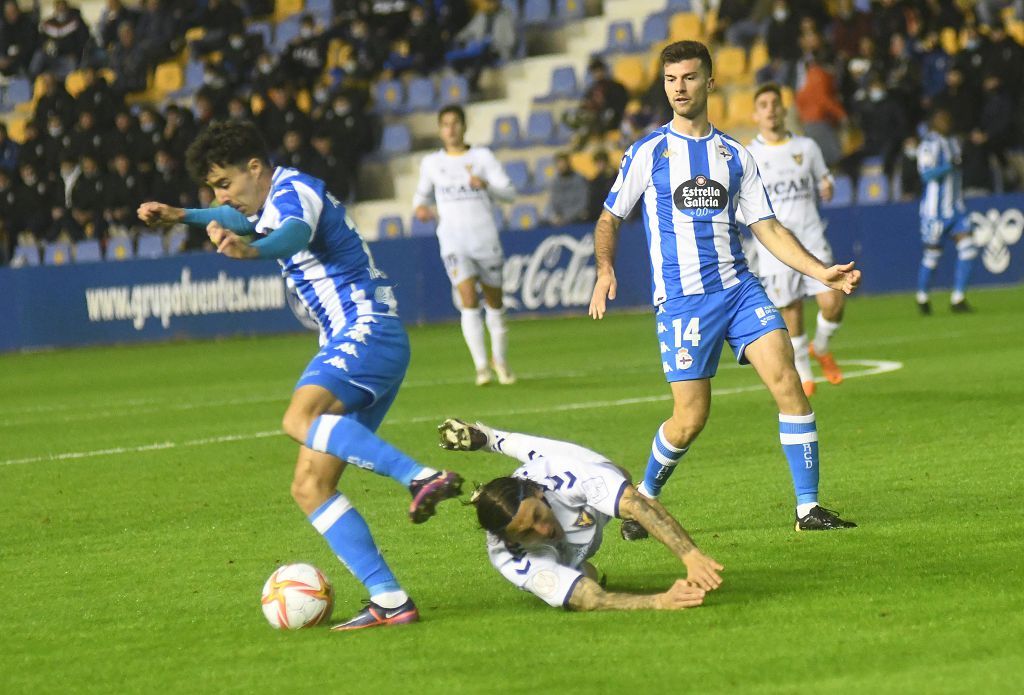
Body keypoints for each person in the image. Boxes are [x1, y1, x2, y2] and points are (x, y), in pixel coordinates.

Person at [137, 120, 464, 631]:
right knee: (310, 485)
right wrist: (182, 214)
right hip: (360, 342)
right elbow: (235, 218)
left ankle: (420, 477)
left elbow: (290, 234)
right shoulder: (264, 201)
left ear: (255, 168)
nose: (222, 196)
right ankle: (390, 599)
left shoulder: (296, 191)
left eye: (225, 183)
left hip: (366, 329)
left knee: (298, 417)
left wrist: (251, 251)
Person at [588, 41, 860, 538]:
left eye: (689, 78)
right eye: (671, 80)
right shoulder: (648, 152)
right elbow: (609, 218)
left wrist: (821, 272)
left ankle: (808, 508)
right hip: (683, 302)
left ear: (710, 82)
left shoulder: (735, 156)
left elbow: (769, 229)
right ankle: (645, 497)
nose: (679, 88)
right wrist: (605, 269)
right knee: (690, 418)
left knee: (788, 383)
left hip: (739, 290)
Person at [438, 418, 723, 610]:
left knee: (619, 476)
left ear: (539, 495)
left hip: (553, 471)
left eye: (538, 516)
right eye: (525, 532)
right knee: (586, 577)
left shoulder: (562, 476)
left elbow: (637, 503)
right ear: (507, 538)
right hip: (561, 550)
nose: (542, 530)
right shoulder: (508, 556)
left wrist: (690, 556)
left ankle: (489, 438)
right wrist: (659, 601)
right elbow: (587, 598)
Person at [747, 83, 845, 397]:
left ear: (784, 109)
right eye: (763, 104)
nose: (771, 109)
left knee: (833, 301)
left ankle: (822, 346)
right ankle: (804, 370)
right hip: (776, 247)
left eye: (775, 103)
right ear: (755, 114)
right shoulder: (750, 155)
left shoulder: (807, 147)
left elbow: (824, 177)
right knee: (791, 310)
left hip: (812, 237)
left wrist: (827, 185)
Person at [413, 104, 516, 386]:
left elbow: (509, 193)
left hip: (484, 238)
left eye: (455, 123)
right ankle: (482, 367)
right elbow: (420, 200)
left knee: (494, 303)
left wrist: (485, 185)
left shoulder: (482, 157)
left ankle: (501, 361)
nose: (451, 129)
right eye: (445, 124)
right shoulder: (431, 164)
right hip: (453, 241)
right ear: (440, 129)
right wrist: (422, 209)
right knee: (468, 300)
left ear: (464, 126)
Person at [915, 108, 976, 314]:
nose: (947, 122)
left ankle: (958, 298)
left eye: (948, 118)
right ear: (935, 122)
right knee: (932, 256)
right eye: (942, 119)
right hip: (935, 212)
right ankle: (922, 296)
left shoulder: (953, 142)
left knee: (968, 248)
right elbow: (926, 175)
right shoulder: (928, 145)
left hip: (956, 208)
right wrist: (949, 167)